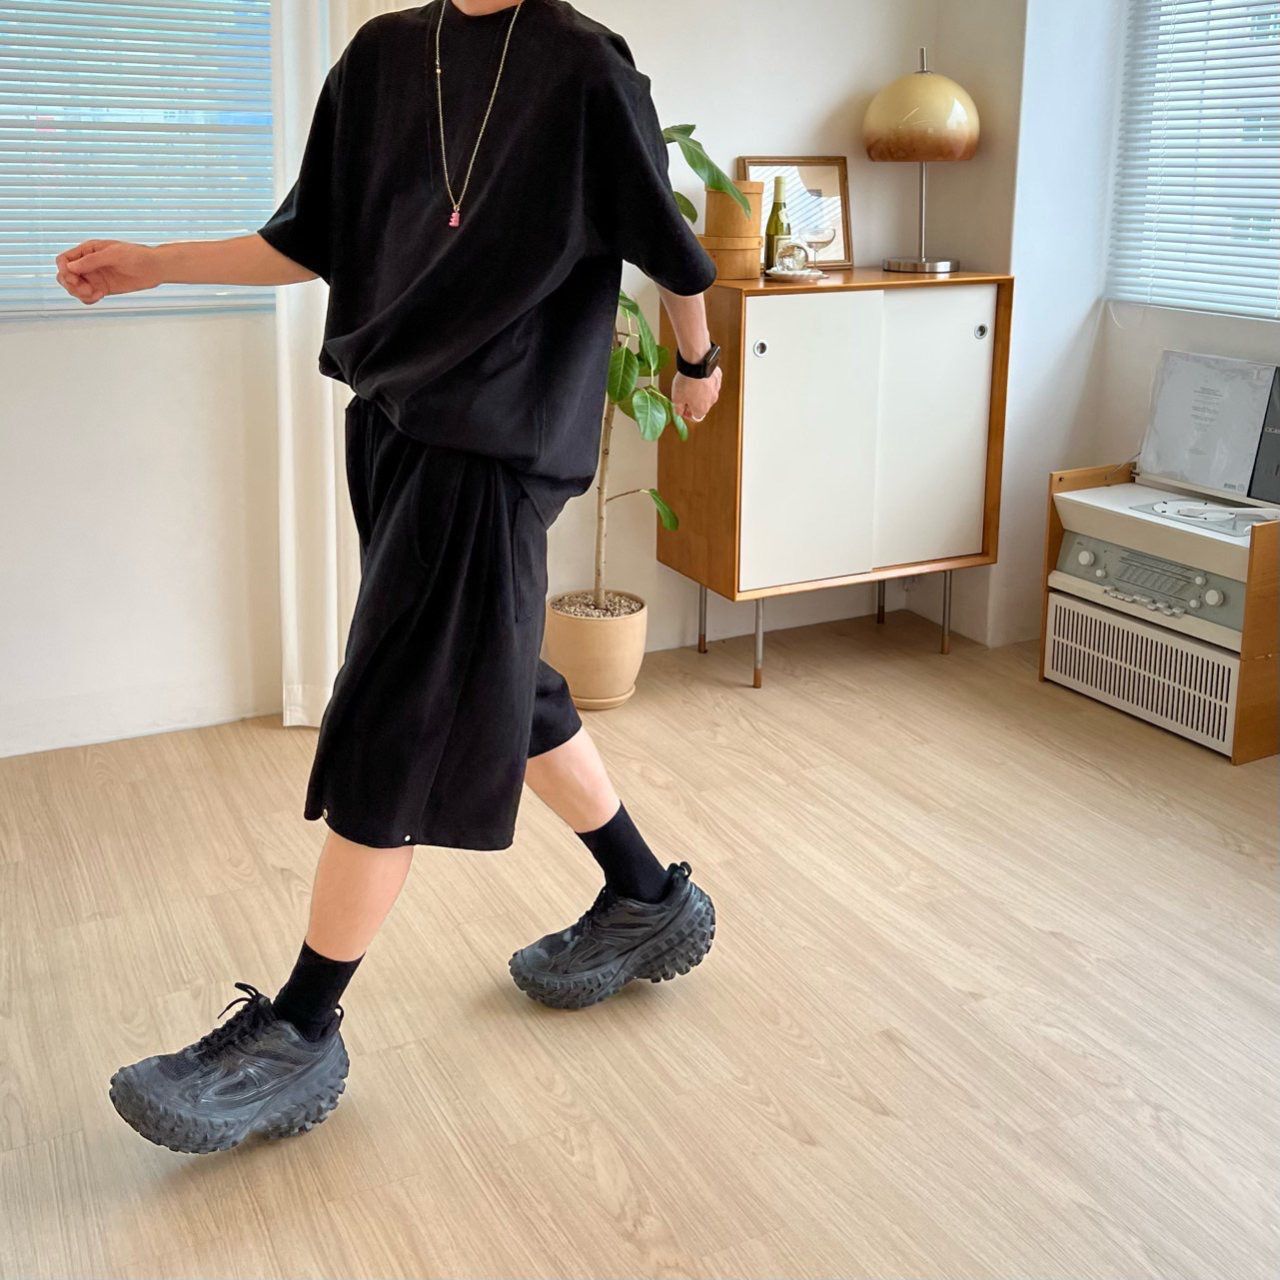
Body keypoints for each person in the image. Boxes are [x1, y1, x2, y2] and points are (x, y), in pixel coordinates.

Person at [54, 0, 724, 1156]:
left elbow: (664, 239)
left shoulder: (580, 65)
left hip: (495, 439)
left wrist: (696, 359)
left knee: (397, 712)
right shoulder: (378, 57)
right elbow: (313, 234)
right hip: (393, 423)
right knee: (493, 674)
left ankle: (301, 1028)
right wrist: (156, 263)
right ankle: (645, 896)